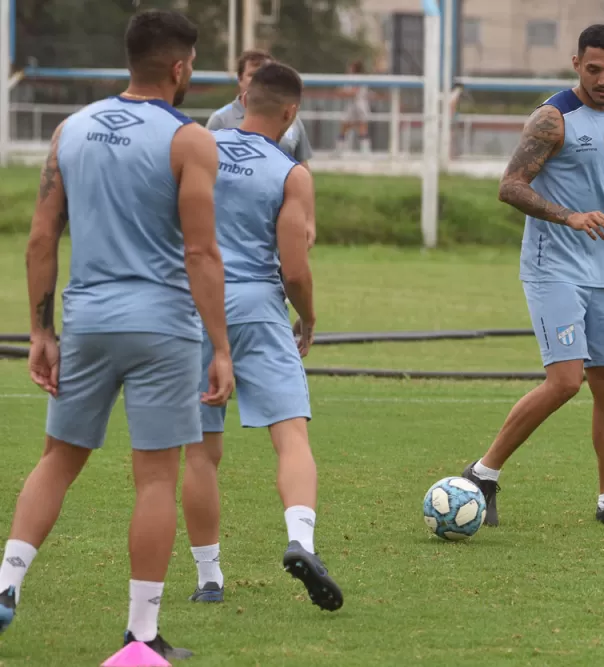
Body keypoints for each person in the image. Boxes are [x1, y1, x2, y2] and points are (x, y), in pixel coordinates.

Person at [0, 9, 233, 661]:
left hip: (89, 321)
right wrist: (220, 345)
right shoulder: (189, 140)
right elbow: (201, 252)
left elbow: (42, 236)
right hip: (163, 328)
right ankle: (141, 635)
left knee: (57, 459)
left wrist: (40, 330)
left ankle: (6, 584)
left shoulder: (69, 131)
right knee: (155, 479)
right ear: (179, 67)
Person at [458, 24, 604, 528]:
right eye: (593, 69)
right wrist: (567, 215)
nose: (603, 79)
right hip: (553, 269)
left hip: (603, 274)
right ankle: (483, 473)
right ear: (576, 64)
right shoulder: (553, 118)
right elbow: (510, 186)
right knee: (566, 381)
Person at [180, 62, 342, 613]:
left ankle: (209, 579)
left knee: (202, 452)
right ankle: (301, 540)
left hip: (192, 306)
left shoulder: (195, 146)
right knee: (290, 436)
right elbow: (294, 270)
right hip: (256, 306)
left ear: (243, 97)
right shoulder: (291, 173)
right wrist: (311, 318)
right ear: (291, 112)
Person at [208, 49, 315, 249]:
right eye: (252, 75)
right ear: (240, 80)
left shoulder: (293, 122)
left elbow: (303, 168)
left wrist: (309, 219)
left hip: (282, 211)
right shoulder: (220, 121)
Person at [336, 60, 371, 154]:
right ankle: (339, 150)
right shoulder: (349, 78)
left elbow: (353, 92)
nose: (348, 69)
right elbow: (343, 91)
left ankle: (365, 151)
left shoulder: (359, 78)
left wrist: (344, 93)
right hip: (351, 104)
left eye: (350, 67)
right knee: (344, 126)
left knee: (362, 126)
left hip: (360, 104)